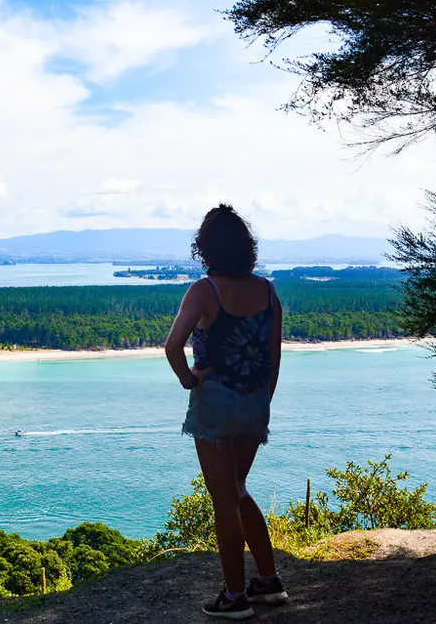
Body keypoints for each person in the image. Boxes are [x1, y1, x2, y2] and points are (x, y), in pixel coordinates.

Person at [164, 204, 288, 620]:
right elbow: (272, 360)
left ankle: (235, 597)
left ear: (206, 247)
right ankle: (268, 582)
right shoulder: (268, 292)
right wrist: (260, 402)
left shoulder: (204, 290)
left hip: (215, 406)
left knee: (224, 500)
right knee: (237, 488)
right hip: (254, 405)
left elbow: (172, 346)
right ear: (246, 246)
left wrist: (188, 379)